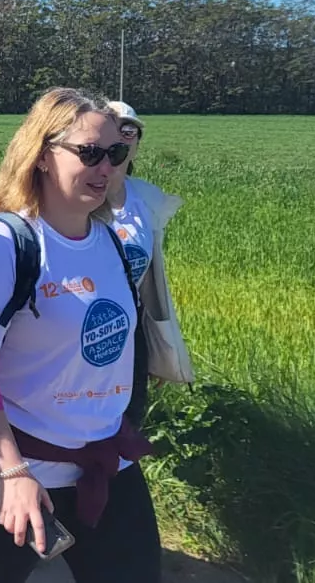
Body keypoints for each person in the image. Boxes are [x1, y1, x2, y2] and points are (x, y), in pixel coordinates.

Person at [0, 88, 157, 582]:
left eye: (116, 153)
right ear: (41, 155)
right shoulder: (5, 243)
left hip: (105, 465)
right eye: (89, 152)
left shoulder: (110, 242)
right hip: (17, 468)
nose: (105, 167)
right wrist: (11, 472)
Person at [106, 100, 188, 425]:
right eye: (113, 129)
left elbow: (152, 279)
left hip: (132, 330)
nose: (122, 138)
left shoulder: (148, 199)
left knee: (128, 423)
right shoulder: (77, 196)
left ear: (138, 142)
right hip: (79, 328)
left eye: (130, 131)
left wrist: (159, 347)